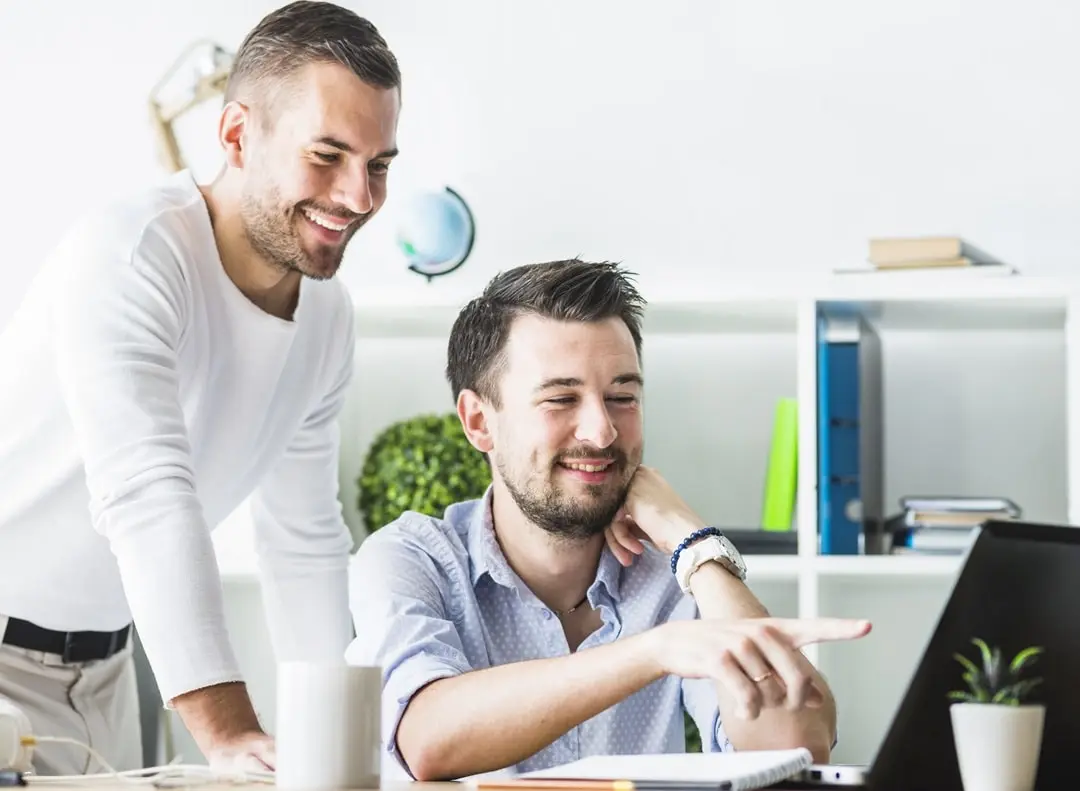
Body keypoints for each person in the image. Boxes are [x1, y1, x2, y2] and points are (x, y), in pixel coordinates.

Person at [0, 0, 400, 776]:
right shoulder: (131, 256)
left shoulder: (329, 318)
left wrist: (347, 744)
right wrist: (228, 732)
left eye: (378, 164)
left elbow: (303, 536)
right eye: (327, 155)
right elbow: (146, 493)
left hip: (110, 675)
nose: (359, 196)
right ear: (237, 135)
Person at [346, 259, 872, 782]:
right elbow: (427, 739)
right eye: (560, 399)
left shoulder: (673, 569)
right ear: (479, 422)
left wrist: (697, 547)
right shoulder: (412, 559)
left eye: (622, 397)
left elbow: (795, 746)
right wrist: (652, 653)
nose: (601, 431)